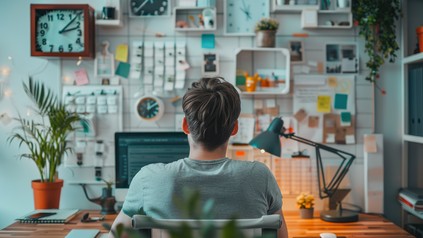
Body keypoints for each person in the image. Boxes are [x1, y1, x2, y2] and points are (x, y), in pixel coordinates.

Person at [109, 77, 288, 238]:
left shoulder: (148, 178)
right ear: (234, 128)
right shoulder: (259, 176)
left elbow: (115, 236)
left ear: (185, 125)